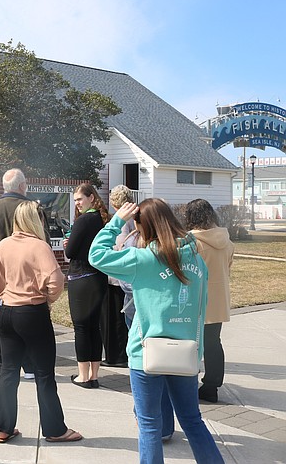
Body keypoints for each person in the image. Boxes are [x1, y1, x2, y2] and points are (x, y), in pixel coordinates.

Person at [89, 199, 223, 464]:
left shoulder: (144, 259)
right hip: (184, 352)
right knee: (192, 421)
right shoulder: (197, 258)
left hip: (146, 352)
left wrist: (117, 221)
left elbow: (97, 255)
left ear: (143, 227)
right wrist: (199, 354)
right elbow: (201, 306)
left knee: (150, 425)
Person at [0, 200, 82, 444]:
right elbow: (56, 280)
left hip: (6, 312)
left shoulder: (4, 244)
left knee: (8, 371)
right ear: (35, 220)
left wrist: (2, 294)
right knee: (44, 374)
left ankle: (4, 428)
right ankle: (55, 429)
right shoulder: (40, 246)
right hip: (32, 312)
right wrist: (48, 300)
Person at [110, 188, 176, 441]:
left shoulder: (137, 245)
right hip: (157, 315)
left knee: (148, 370)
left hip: (141, 315)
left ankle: (151, 422)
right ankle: (161, 426)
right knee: (163, 372)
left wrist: (139, 280)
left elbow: (102, 259)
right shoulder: (179, 247)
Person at [0, 168, 42, 380]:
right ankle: (29, 366)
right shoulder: (32, 208)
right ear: (22, 186)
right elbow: (44, 241)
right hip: (26, 274)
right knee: (26, 318)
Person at [184, 199, 233, 404]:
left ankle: (186, 383)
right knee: (213, 343)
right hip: (219, 297)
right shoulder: (227, 240)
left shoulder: (191, 242)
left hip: (195, 299)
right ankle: (212, 386)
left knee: (190, 344)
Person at [64, 182, 110, 388]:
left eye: (80, 199)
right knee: (94, 328)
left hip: (81, 277)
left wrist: (68, 243)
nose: (77, 204)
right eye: (75, 201)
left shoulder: (83, 221)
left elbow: (71, 252)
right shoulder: (102, 219)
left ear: (92, 197)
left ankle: (83, 376)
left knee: (82, 328)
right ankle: (94, 374)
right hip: (98, 277)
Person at [103, 185, 132, 367]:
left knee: (116, 319)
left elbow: (118, 247)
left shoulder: (119, 221)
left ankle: (118, 356)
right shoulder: (136, 218)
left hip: (117, 278)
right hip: (131, 277)